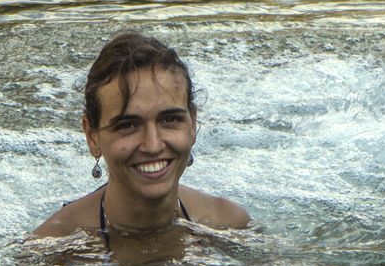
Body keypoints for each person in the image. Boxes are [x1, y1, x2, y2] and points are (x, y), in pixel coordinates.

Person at [32, 30, 249, 250]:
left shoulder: (230, 227)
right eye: (127, 125)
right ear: (92, 136)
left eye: (170, 119)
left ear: (192, 123)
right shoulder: (54, 252)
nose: (153, 145)